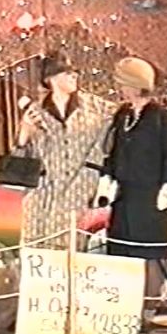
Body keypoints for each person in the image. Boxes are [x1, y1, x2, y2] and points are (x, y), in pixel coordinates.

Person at [97, 56, 167, 315]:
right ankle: (125, 310)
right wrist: (107, 178)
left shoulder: (162, 117)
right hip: (125, 196)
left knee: (150, 253)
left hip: (152, 196)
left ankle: (148, 311)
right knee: (122, 252)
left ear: (135, 84)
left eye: (123, 83)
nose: (120, 88)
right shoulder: (122, 115)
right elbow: (114, 150)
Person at [16, 52, 110, 250]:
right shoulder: (35, 112)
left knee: (72, 255)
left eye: (75, 72)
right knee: (38, 257)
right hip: (41, 200)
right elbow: (17, 166)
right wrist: (24, 132)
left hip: (79, 196)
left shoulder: (97, 108)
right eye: (67, 72)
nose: (74, 75)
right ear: (50, 78)